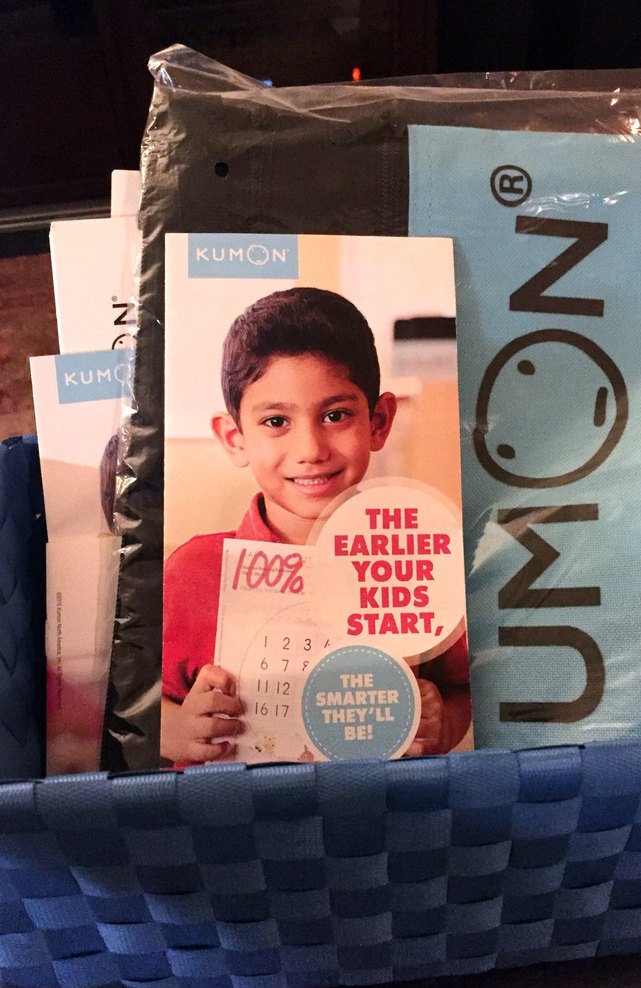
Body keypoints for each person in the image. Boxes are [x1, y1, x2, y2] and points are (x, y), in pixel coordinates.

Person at [161, 286, 470, 765]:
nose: (310, 449)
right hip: (231, 810)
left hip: (378, 806)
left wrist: (441, 722)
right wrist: (174, 731)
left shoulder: (419, 561)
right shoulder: (193, 570)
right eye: (276, 422)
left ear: (378, 422)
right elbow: (130, 706)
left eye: (335, 415)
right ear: (234, 438)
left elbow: (463, 686)